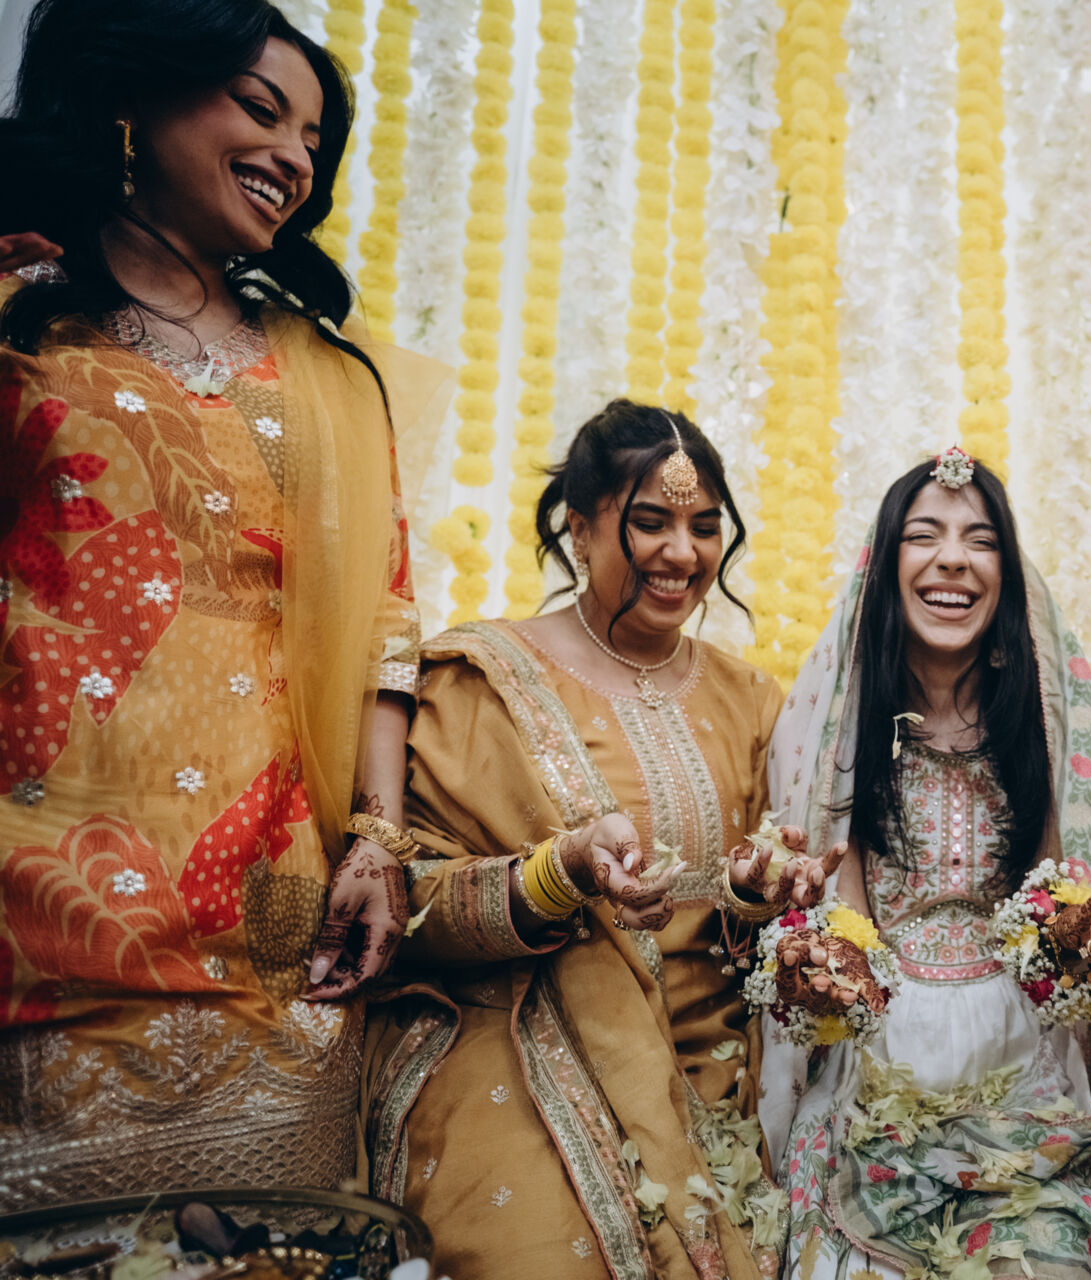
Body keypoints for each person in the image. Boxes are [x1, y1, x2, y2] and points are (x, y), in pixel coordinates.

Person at [0, 0, 445, 1209]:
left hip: (275, 918)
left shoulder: (326, 374)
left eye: (314, 140)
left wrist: (379, 843)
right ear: (137, 97)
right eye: (262, 110)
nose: (294, 157)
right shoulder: (24, 316)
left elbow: (384, 623)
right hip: (37, 913)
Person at [365, 402, 837, 1279]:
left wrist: (757, 897)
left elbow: (760, 929)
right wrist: (560, 873)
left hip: (719, 1074)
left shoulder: (753, 702)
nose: (682, 553)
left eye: (704, 527)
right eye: (651, 522)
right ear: (579, 529)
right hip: (524, 1042)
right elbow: (407, 905)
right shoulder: (483, 680)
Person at [761, 452, 1091, 1280]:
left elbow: (1057, 897)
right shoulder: (846, 722)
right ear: (887, 568)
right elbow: (846, 920)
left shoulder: (1047, 722)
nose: (952, 559)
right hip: (880, 1054)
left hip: (1021, 1054)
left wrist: (1083, 944)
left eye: (980, 540)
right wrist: (829, 970)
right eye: (924, 536)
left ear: (1007, 575)